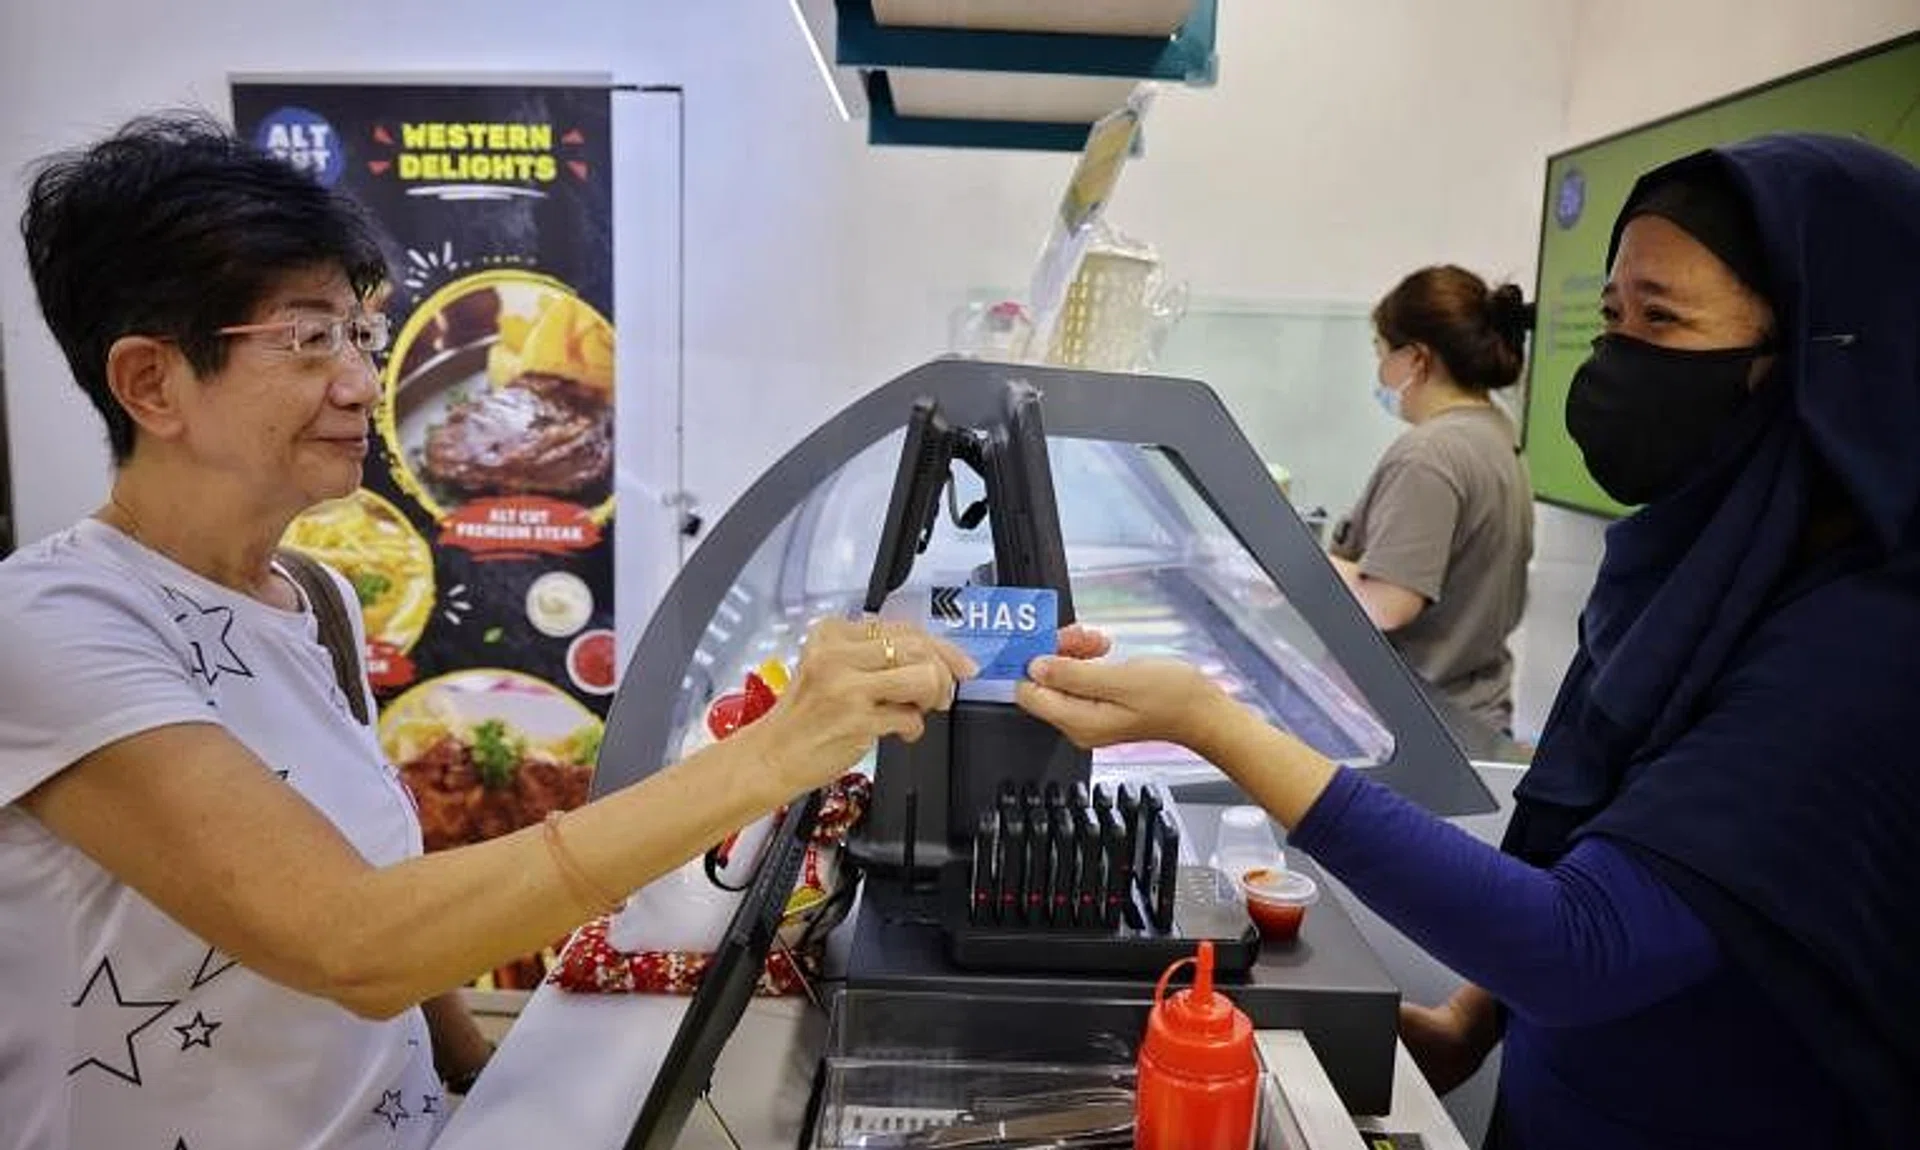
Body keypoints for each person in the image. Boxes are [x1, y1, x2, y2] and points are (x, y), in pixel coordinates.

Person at [0, 114, 980, 1150]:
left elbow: (376, 892)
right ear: (152, 382)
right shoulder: (53, 629)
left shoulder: (317, 600)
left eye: (360, 333)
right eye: (307, 337)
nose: (359, 383)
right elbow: (353, 937)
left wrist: (480, 1068)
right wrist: (773, 756)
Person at [1017, 133, 1920, 1149]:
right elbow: (1595, 823)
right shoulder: (1689, 576)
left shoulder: (1864, 654)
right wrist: (1471, 1022)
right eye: (1612, 316)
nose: (1617, 356)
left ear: (1817, 359)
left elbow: (1584, 940)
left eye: (1662, 319)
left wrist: (1212, 723)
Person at [1330, 267, 1534, 731]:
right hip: (1473, 713)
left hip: (1423, 721)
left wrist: (1289, 564)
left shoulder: (1430, 454)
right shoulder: (1494, 430)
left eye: (1381, 352)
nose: (1380, 371)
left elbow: (1387, 603)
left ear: (1417, 359)